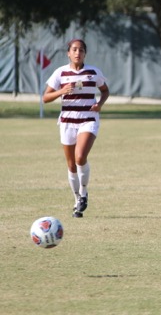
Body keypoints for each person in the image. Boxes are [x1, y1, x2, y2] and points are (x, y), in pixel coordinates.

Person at [43, 39, 109, 218]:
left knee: (80, 157)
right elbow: (45, 98)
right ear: (68, 53)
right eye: (74, 49)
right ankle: (76, 199)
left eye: (81, 50)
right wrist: (61, 91)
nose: (77, 53)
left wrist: (100, 104)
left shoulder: (93, 72)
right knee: (71, 165)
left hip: (88, 119)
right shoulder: (60, 73)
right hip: (67, 122)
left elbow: (105, 90)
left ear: (85, 53)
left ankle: (84, 192)